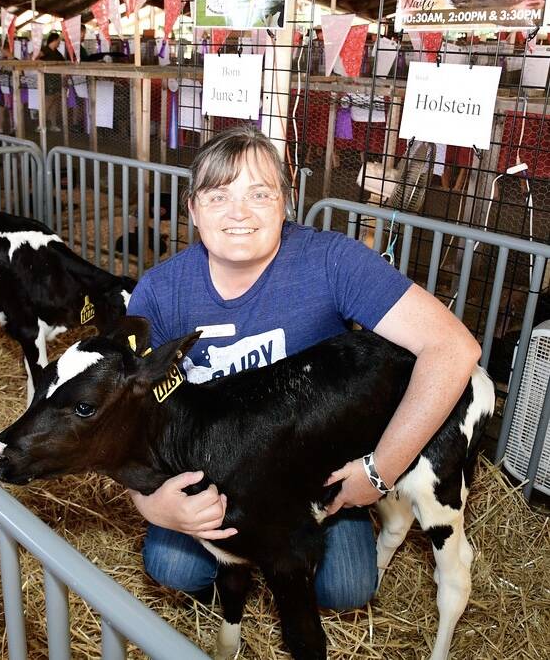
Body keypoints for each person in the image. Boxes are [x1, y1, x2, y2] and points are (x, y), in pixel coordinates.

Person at [126, 125, 481, 608]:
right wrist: (151, 502)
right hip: (218, 473)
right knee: (172, 565)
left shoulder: (332, 261)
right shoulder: (159, 293)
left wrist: (379, 471)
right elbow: (126, 411)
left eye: (259, 193)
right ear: (191, 208)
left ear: (285, 203)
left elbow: (453, 348)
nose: (239, 213)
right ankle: (233, 581)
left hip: (313, 474)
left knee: (347, 588)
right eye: (217, 196)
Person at [39, 31, 65, 132]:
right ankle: (41, 124)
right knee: (48, 101)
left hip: (57, 80)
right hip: (48, 80)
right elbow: (33, 56)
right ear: (55, 40)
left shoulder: (57, 53)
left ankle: (53, 124)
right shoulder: (45, 50)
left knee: (55, 102)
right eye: (59, 40)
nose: (59, 42)